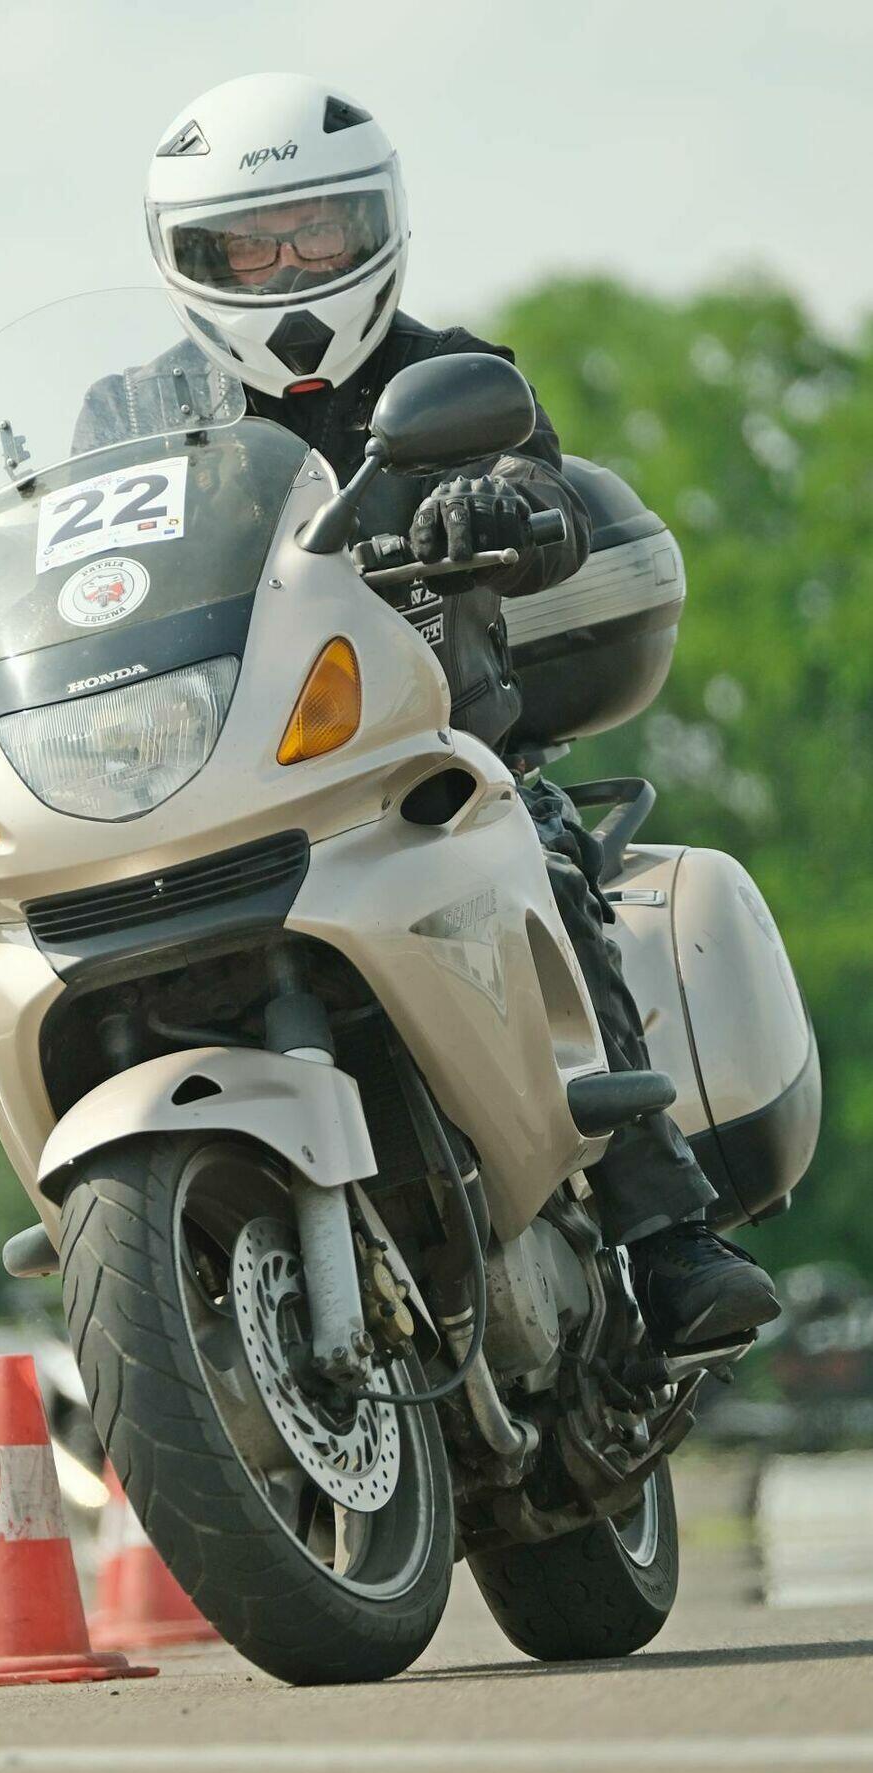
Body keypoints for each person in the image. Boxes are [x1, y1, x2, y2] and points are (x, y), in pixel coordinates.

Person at [83, 72, 779, 1349]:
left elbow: (548, 493)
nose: (289, 265)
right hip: (222, 786)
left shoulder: (451, 375)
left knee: (539, 857)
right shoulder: (129, 419)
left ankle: (667, 1234)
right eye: (250, 244)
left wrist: (503, 504)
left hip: (429, 757)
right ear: (192, 259)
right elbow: (76, 575)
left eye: (317, 231)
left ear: (374, 224)